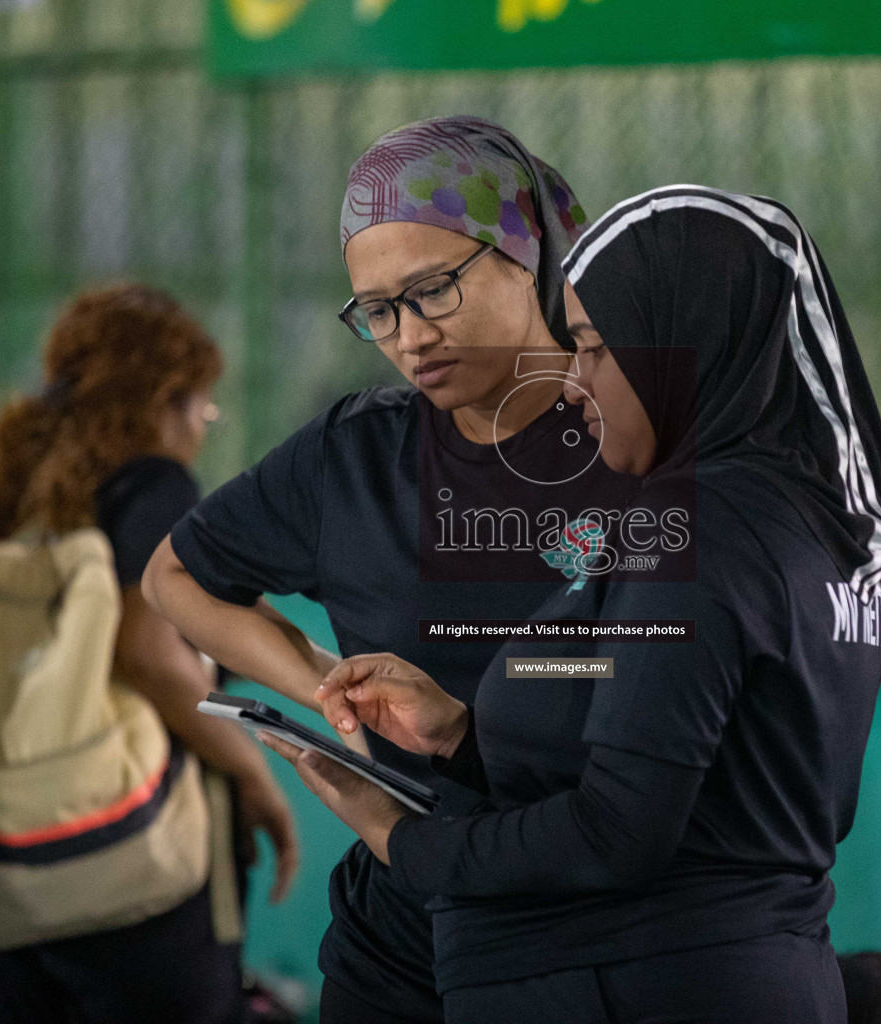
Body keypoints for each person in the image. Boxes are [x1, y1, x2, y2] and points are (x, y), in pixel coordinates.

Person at [272, 187, 881, 1023]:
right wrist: (462, 737)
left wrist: (399, 836)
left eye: (597, 349)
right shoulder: (801, 523)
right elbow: (694, 763)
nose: (572, 382)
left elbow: (618, 832)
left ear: (684, 346)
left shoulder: (706, 532)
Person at [145, 115, 638, 1024]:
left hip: (603, 938)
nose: (409, 337)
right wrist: (321, 682)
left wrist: (747, 738)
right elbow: (175, 578)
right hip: (405, 932)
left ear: (528, 256)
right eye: (377, 311)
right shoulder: (357, 457)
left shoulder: (641, 426)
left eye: (434, 290)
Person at [0, 283, 299, 1024]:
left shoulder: (16, 501)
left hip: (8, 861)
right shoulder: (154, 486)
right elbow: (148, 650)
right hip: (127, 861)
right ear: (162, 400)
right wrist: (252, 773)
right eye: (200, 406)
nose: (201, 429)